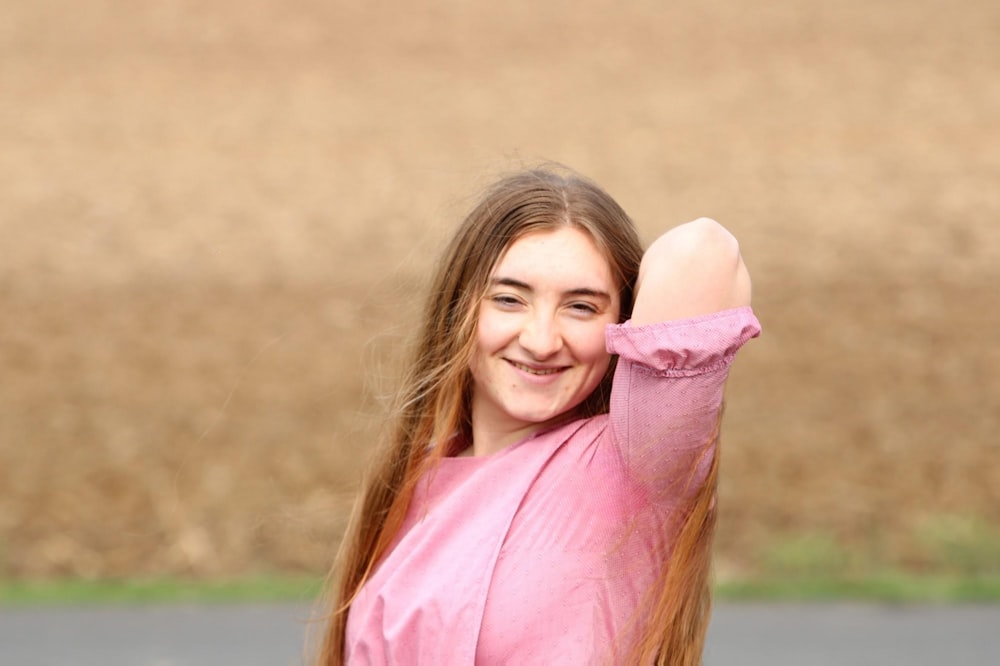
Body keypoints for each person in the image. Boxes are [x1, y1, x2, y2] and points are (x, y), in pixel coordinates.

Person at [315, 167, 760, 665]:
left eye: (582, 308)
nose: (542, 340)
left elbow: (701, 252)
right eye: (509, 299)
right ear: (459, 307)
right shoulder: (416, 476)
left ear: (624, 324)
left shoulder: (636, 463)